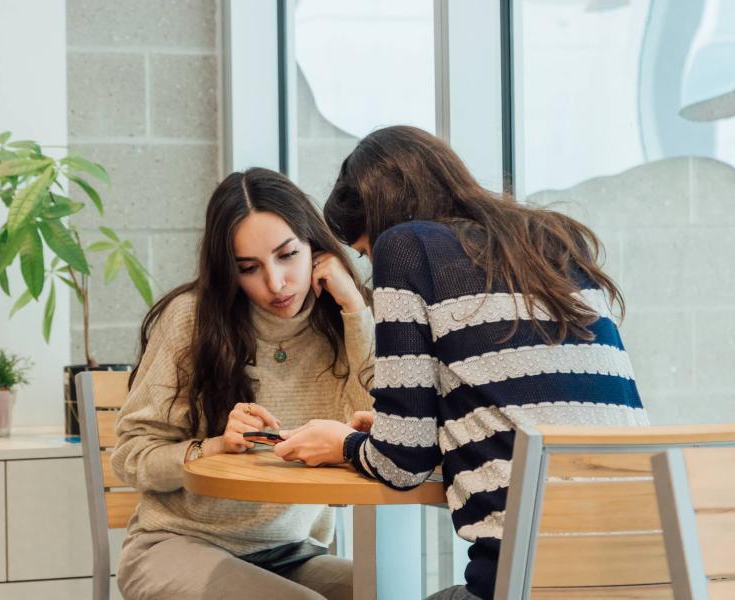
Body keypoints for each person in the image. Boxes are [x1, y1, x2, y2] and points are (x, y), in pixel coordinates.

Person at [273, 125, 648, 600]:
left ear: (383, 220)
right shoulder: (557, 241)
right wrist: (396, 431)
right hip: (643, 568)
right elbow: (520, 400)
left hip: (525, 583)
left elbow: (401, 463)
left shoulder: (406, 246)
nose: (371, 264)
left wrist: (346, 445)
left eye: (365, 252)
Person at [111, 167, 375, 600]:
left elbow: (375, 433)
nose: (275, 283)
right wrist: (209, 448)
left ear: (315, 247)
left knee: (393, 590)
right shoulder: (192, 320)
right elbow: (131, 458)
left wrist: (354, 310)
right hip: (177, 546)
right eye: (249, 268)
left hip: (293, 554)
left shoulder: (344, 326)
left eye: (288, 255)